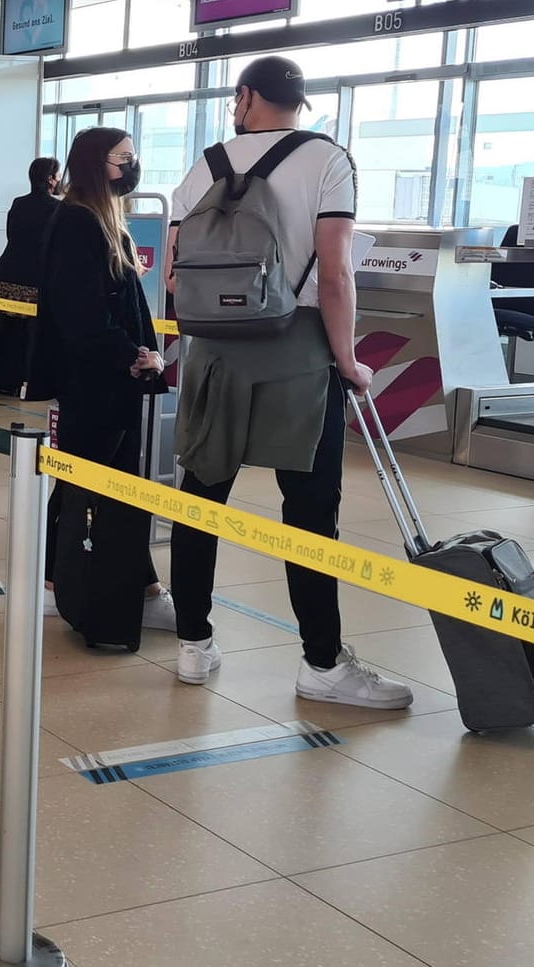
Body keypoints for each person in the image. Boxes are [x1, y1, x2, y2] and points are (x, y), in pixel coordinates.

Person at [165, 55, 412, 709]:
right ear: (301, 103)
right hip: (299, 353)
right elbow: (335, 274)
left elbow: (173, 273)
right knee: (308, 513)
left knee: (200, 498)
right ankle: (321, 665)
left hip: (214, 354)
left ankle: (193, 644)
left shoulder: (206, 164)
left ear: (246, 97)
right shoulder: (329, 160)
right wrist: (347, 358)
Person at [35, 127, 175, 632]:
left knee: (105, 484)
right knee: (90, 483)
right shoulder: (77, 222)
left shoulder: (102, 218)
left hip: (111, 376)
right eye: (122, 159)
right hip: (95, 378)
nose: (131, 168)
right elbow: (81, 311)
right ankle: (65, 581)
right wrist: (131, 353)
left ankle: (136, 584)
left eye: (133, 157)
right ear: (97, 164)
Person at [0, 156, 60, 398]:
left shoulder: (18, 203)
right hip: (35, 278)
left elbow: (10, 235)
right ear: (50, 180)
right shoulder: (57, 208)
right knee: (34, 330)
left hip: (5, 272)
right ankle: (28, 383)